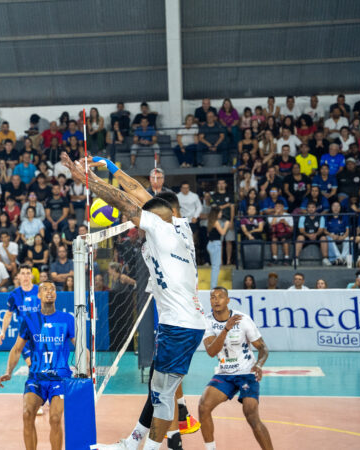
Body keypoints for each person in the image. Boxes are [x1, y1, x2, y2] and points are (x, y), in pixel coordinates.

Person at [64, 155, 204, 450]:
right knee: (158, 387)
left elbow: (125, 202)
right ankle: (132, 442)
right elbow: (139, 194)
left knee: (162, 395)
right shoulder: (178, 225)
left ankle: (149, 447)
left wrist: (88, 180)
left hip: (179, 325)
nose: (139, 218)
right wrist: (112, 166)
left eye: (147, 212)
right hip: (180, 322)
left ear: (163, 213)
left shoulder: (162, 227)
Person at [0, 281, 74, 450]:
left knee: (55, 418)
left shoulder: (67, 319)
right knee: (27, 414)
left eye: (52, 289)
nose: (49, 291)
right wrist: (9, 372)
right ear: (38, 295)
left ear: (56, 294)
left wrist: (87, 369)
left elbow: (82, 348)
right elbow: (17, 349)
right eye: (45, 289)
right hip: (37, 378)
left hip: (59, 378)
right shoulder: (29, 320)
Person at [199, 287, 273, 450]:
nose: (216, 300)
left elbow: (263, 348)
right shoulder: (207, 321)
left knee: (251, 415)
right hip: (224, 374)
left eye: (220, 296)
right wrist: (226, 329)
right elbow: (212, 352)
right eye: (212, 297)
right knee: (203, 407)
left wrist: (259, 364)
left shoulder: (243, 320)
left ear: (227, 300)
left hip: (247, 373)